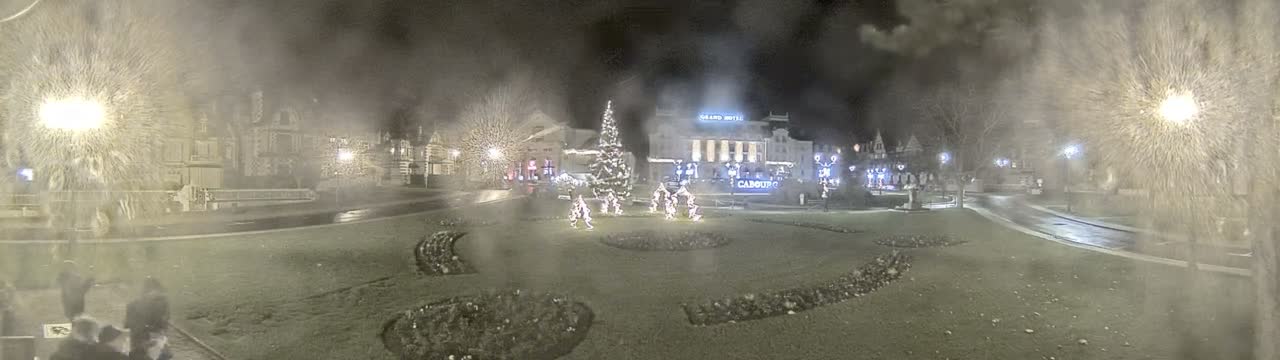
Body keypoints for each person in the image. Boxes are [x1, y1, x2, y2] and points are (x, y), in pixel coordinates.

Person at [125, 278, 169, 358]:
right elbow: (163, 325)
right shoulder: (162, 304)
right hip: (152, 343)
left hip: (137, 343)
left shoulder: (131, 304)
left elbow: (127, 325)